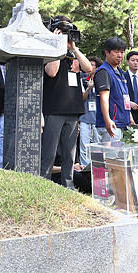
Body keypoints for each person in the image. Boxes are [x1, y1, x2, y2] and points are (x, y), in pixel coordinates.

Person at [40, 19, 93, 186]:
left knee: (69, 154)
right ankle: (43, 184)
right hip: (54, 109)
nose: (65, 36)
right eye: (62, 32)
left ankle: (68, 186)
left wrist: (74, 48)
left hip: (72, 110)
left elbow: (88, 68)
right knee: (49, 152)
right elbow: (51, 72)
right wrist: (56, 44)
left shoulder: (72, 54)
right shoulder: (49, 51)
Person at [94, 37, 131, 142]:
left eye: (122, 52)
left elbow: (125, 97)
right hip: (112, 124)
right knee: (111, 156)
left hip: (123, 122)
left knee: (119, 157)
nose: (120, 55)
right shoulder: (104, 72)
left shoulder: (120, 73)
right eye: (116, 52)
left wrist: (130, 117)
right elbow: (104, 98)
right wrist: (107, 120)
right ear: (107, 52)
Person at [79, 56, 102, 165]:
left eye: (92, 65)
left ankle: (97, 167)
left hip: (97, 118)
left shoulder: (102, 81)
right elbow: (81, 99)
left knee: (97, 145)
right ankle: (84, 167)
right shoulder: (83, 80)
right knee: (84, 145)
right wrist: (88, 88)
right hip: (85, 117)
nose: (88, 66)